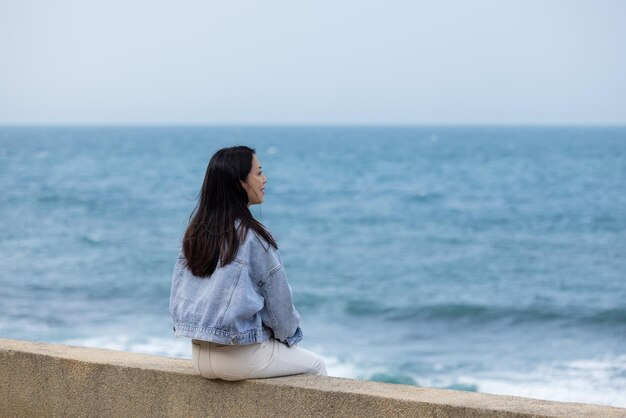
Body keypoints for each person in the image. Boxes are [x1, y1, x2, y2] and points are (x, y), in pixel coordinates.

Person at [169, 145, 327, 381]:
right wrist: (289, 338)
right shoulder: (253, 238)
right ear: (240, 182)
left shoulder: (195, 232)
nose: (265, 179)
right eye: (259, 173)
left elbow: (179, 296)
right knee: (316, 366)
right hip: (238, 357)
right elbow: (280, 313)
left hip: (199, 356)